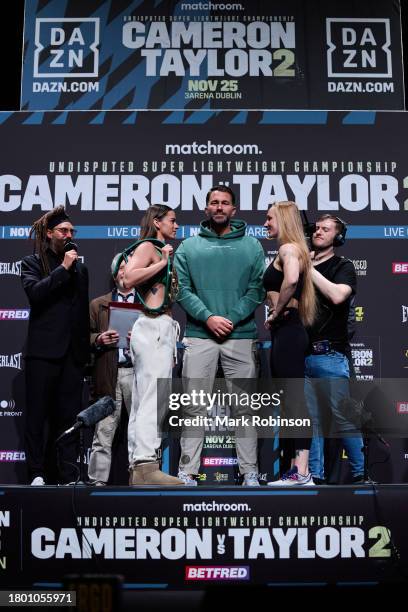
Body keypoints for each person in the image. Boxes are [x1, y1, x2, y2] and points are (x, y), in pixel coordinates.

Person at [175, 185, 265, 487]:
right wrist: (208, 318)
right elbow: (181, 291)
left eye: (225, 203)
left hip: (241, 335)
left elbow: (257, 291)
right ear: (206, 208)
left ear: (234, 209)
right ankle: (187, 473)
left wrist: (229, 318)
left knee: (245, 407)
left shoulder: (252, 246)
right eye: (214, 202)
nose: (219, 207)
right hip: (200, 335)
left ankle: (249, 472)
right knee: (194, 406)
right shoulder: (188, 247)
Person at [21, 206, 90, 485]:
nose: (69, 235)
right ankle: (36, 473)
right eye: (63, 231)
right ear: (49, 234)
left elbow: (81, 313)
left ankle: (68, 474)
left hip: (72, 356)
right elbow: (36, 295)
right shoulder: (33, 262)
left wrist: (85, 354)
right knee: (37, 417)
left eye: (72, 231)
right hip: (42, 354)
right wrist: (63, 269)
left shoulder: (81, 269)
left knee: (69, 419)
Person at [123, 204, 184, 485]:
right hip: (153, 324)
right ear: (157, 222)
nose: (176, 226)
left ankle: (138, 466)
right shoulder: (150, 246)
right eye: (172, 221)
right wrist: (162, 262)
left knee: (144, 399)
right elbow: (128, 279)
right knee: (152, 398)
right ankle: (146, 465)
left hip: (158, 327)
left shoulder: (158, 248)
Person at [305, 214, 364, 484]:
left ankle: (359, 473)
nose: (318, 232)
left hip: (331, 354)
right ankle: (313, 474)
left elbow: (338, 295)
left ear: (337, 237)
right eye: (316, 228)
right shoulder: (302, 263)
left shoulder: (343, 265)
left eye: (325, 230)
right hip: (302, 354)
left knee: (342, 416)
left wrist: (309, 268)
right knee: (310, 421)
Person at [263, 201, 316, 486]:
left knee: (294, 401)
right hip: (285, 332)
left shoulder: (289, 249)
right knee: (289, 402)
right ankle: (297, 469)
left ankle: (303, 472)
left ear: (283, 219)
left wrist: (275, 311)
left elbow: (292, 279)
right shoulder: (291, 249)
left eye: (269, 218)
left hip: (288, 330)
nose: (266, 224)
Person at [87, 254, 137, 486]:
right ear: (114, 273)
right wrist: (99, 338)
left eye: (129, 269)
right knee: (103, 432)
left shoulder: (149, 304)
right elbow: (82, 339)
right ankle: (97, 483)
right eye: (120, 269)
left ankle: (141, 481)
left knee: (141, 433)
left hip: (138, 374)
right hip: (109, 373)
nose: (124, 273)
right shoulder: (98, 304)